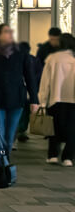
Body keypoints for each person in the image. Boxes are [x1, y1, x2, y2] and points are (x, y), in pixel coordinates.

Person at [0, 24, 38, 165]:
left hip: (16, 99)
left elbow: (29, 77)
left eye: (10, 31)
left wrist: (34, 99)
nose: (9, 34)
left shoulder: (21, 53)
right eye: (6, 32)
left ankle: (4, 160)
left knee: (9, 134)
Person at [37, 33, 75, 165]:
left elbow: (45, 82)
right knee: (72, 129)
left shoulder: (52, 58)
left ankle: (53, 155)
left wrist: (42, 100)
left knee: (53, 127)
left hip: (55, 98)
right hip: (72, 99)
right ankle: (68, 157)